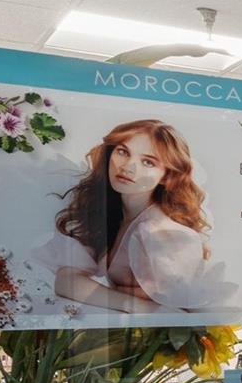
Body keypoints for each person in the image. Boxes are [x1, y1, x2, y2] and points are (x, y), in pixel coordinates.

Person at [37, 119, 222, 314]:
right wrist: (137, 304)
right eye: (122, 151)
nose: (127, 167)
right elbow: (66, 282)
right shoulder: (111, 215)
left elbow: (179, 306)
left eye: (148, 162)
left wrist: (116, 296)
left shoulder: (162, 233)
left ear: (167, 177)